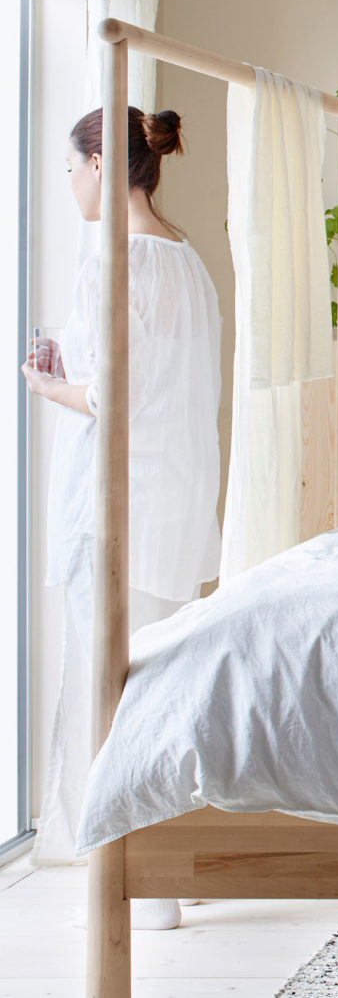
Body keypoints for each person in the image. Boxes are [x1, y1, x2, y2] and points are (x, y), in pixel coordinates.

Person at [22, 106, 221, 931]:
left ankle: (148, 890)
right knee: (162, 691)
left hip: (119, 506)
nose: (67, 185)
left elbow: (109, 397)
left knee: (115, 699)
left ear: (102, 163)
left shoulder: (113, 259)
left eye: (71, 168)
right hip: (175, 504)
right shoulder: (186, 257)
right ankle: (175, 865)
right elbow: (162, 378)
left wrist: (42, 386)